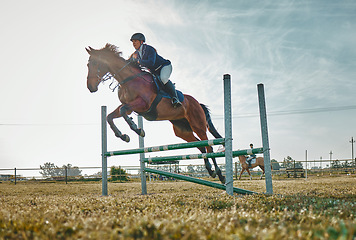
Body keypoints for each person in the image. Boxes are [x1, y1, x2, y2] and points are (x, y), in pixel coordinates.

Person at [129, 33, 181, 108]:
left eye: (135, 41)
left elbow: (151, 62)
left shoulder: (149, 49)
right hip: (154, 72)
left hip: (164, 66)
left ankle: (175, 98)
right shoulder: (135, 54)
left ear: (141, 41)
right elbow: (128, 63)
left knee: (163, 78)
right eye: (133, 41)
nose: (134, 43)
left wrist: (138, 61)